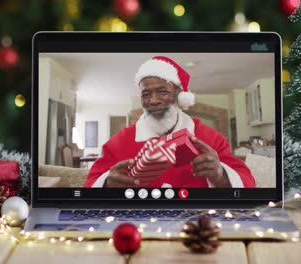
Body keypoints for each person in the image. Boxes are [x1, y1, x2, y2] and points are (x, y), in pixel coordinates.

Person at [84, 56, 255, 188]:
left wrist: (221, 176)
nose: (153, 101)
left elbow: (248, 183)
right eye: (146, 94)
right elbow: (90, 185)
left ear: (179, 96)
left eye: (162, 92)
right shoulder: (118, 143)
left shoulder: (209, 138)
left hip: (197, 221)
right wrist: (107, 183)